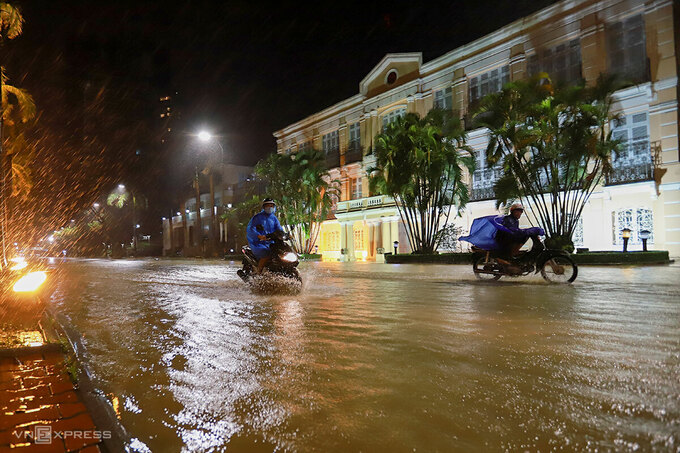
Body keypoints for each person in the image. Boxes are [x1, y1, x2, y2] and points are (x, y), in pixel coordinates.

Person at [246, 198, 284, 274]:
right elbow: (251, 229)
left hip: (272, 243)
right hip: (258, 243)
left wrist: (286, 235)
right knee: (266, 254)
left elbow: (279, 229)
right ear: (263, 207)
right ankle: (258, 273)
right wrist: (259, 236)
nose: (269, 207)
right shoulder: (257, 217)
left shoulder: (274, 218)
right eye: (267, 205)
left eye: (271, 205)